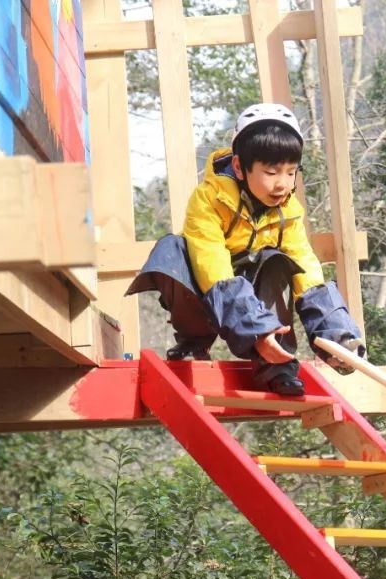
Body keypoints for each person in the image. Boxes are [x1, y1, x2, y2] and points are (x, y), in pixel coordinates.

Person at [127, 103, 365, 395]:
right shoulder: (208, 200)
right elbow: (212, 269)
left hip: (254, 293)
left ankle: (277, 365)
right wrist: (256, 331)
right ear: (240, 167)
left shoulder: (288, 211)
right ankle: (193, 343)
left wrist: (336, 335)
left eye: (291, 173)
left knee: (280, 261)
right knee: (173, 251)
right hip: (212, 289)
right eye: (271, 172)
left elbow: (309, 274)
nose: (282, 184)